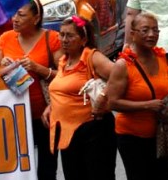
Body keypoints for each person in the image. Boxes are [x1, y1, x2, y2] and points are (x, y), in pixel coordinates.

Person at [0, 0, 63, 180]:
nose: (15, 19)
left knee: (47, 169)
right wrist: (3, 67)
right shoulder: (5, 39)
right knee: (20, 169)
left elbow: (65, 76)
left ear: (36, 18)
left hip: (46, 115)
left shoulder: (52, 38)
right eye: (14, 14)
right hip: (16, 116)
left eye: (21, 15)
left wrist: (38, 69)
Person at [46, 16, 116, 180]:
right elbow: (64, 88)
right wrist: (51, 106)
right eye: (61, 34)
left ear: (83, 39)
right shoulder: (64, 60)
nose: (64, 40)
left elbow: (121, 74)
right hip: (69, 133)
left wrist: (104, 96)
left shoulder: (92, 57)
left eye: (70, 36)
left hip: (94, 131)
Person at [109, 12, 168, 180]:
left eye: (155, 30)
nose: (151, 35)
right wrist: (146, 105)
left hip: (160, 134)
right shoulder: (123, 65)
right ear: (133, 34)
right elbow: (113, 102)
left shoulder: (161, 57)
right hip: (132, 137)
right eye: (145, 30)